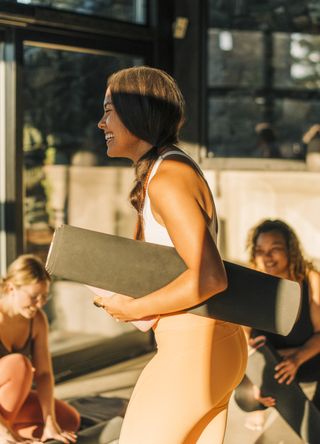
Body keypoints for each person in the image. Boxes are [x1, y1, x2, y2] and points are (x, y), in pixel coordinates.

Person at [95, 65, 247, 444]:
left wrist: (132, 308)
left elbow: (209, 277)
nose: (101, 123)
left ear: (137, 113)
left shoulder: (169, 176)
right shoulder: (166, 169)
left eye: (109, 109)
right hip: (206, 344)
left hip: (195, 349)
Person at [234, 219, 320, 431]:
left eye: (276, 249)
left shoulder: (311, 279)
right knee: (246, 398)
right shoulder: (250, 286)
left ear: (290, 251)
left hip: (308, 358)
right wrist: (255, 376)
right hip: (270, 364)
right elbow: (242, 342)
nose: (267, 256)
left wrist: (297, 359)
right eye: (260, 250)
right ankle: (262, 408)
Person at [0, 254, 80, 443]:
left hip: (8, 402)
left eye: (44, 296)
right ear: (11, 288)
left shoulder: (37, 320)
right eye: (34, 296)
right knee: (19, 365)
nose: (40, 303)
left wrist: (50, 422)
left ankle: (14, 434)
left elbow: (44, 374)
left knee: (69, 421)